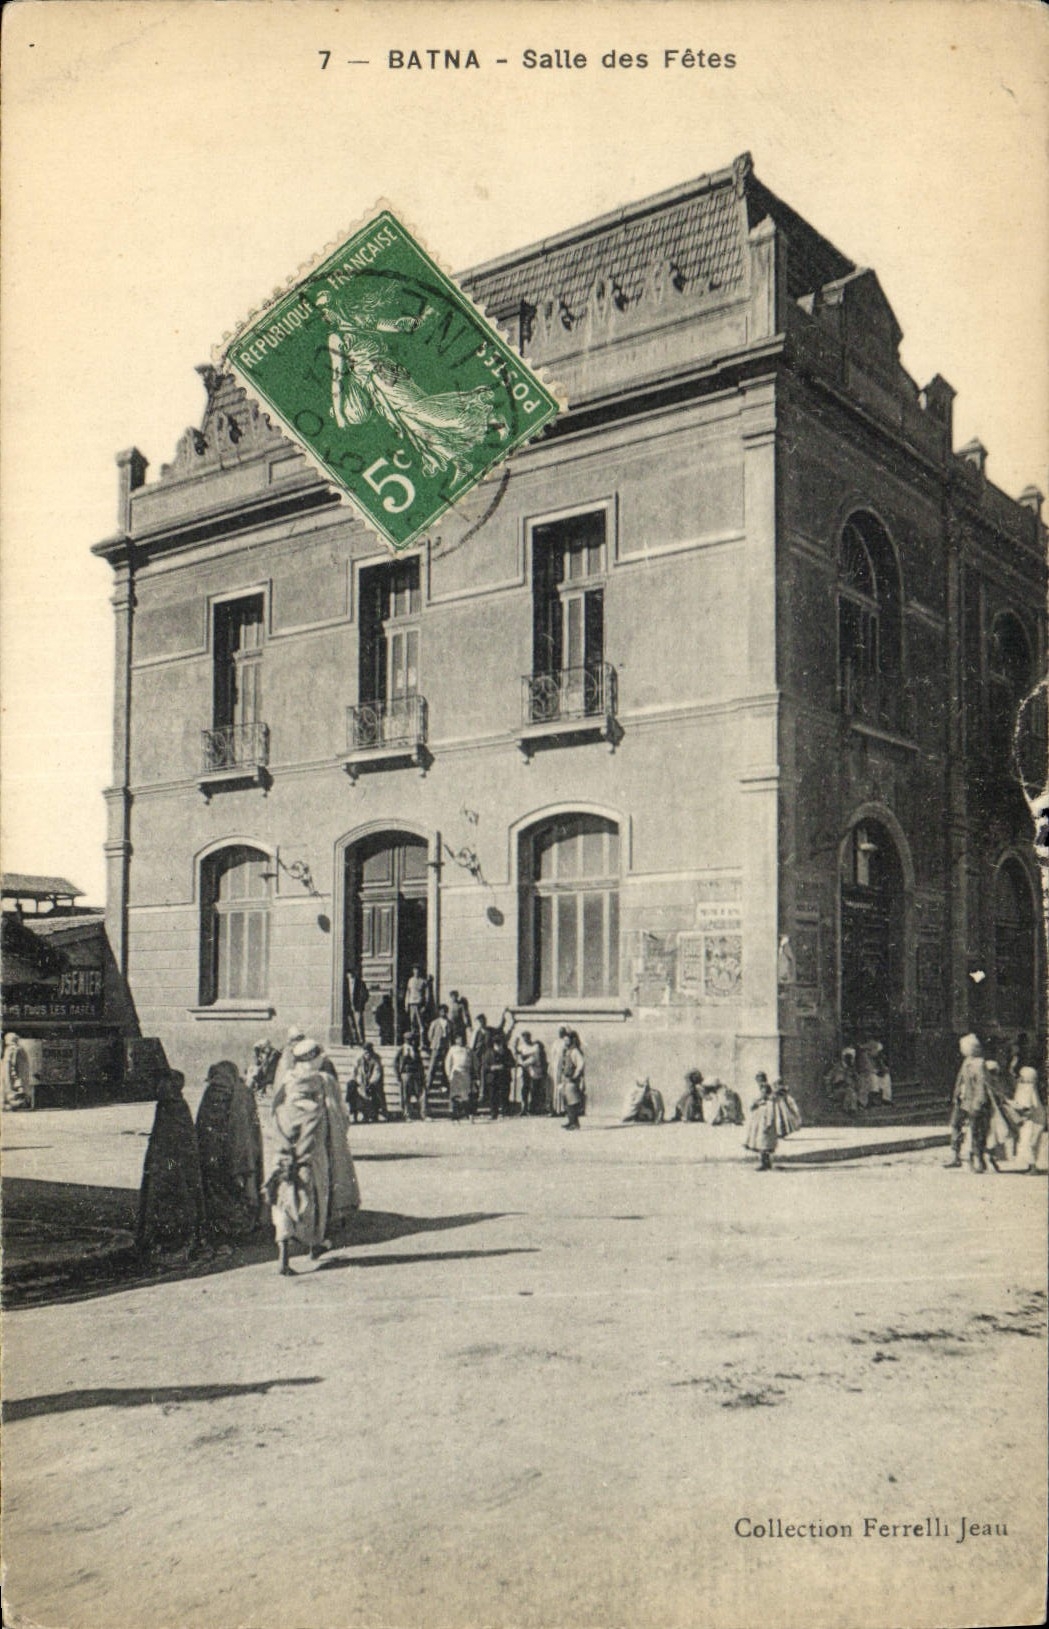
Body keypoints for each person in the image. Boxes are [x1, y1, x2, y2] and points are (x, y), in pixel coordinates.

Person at [266, 1037, 361, 1275]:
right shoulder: (324, 1082)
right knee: (317, 1198)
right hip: (314, 1153)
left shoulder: (286, 1083)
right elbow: (339, 1118)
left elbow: (274, 1115)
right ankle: (314, 1244)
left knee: (285, 1201)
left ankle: (285, 1259)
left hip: (284, 1150)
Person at [195, 1060, 265, 1247]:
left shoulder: (215, 1094)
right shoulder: (241, 1093)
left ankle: (233, 1225)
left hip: (221, 1154)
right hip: (231, 1154)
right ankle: (239, 1224)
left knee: (226, 1190)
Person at [136, 1069, 205, 1258]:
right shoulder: (167, 1106)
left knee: (174, 1201)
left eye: (162, 1084)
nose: (158, 1088)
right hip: (165, 1165)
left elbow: (181, 1141)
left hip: (173, 1167)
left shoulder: (176, 1108)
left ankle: (174, 1241)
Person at [946, 1034, 992, 1172]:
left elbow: (981, 1085)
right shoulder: (966, 1061)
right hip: (962, 1100)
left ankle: (978, 1159)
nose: (961, 1049)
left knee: (976, 1131)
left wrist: (978, 1102)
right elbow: (960, 1080)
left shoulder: (979, 1063)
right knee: (955, 1125)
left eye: (963, 1046)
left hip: (973, 1102)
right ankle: (955, 1155)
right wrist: (956, 1096)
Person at [1009, 1066, 1047, 1173]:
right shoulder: (1024, 1087)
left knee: (1030, 1142)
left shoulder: (1029, 1088)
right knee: (1029, 1142)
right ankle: (1031, 1166)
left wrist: (1013, 1107)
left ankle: (1033, 1167)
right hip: (1031, 1119)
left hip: (1033, 1120)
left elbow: (1027, 1106)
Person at [743, 1073, 779, 1171]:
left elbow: (770, 1113)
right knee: (760, 1142)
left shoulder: (769, 1102)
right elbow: (753, 1107)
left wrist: (768, 1124)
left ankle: (765, 1164)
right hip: (759, 1122)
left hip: (765, 1123)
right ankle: (765, 1163)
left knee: (764, 1143)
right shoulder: (761, 1102)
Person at [350, 1041, 388, 1123]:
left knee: (376, 1093)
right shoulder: (358, 1059)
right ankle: (361, 1114)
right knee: (356, 1092)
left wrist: (371, 1083)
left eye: (369, 1052)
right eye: (365, 1052)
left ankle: (377, 1113)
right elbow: (354, 1071)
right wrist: (357, 1081)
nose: (367, 1054)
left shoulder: (376, 1058)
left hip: (373, 1081)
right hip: (361, 1081)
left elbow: (377, 1072)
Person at [514, 1031, 549, 1116]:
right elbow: (518, 1054)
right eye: (524, 1038)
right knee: (524, 1090)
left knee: (534, 1090)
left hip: (534, 1071)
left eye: (527, 1037)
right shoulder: (522, 1046)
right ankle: (524, 1108)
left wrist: (523, 1060)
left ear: (530, 1037)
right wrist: (515, 1046)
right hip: (525, 1071)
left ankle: (534, 1108)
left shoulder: (535, 1046)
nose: (526, 1039)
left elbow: (533, 1058)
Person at [561, 1030, 587, 1130]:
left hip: (572, 1080)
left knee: (573, 1101)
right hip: (566, 1079)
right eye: (565, 1040)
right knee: (568, 1101)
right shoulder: (568, 1051)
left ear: (572, 1040)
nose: (565, 1042)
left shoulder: (575, 1051)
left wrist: (575, 1075)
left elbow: (581, 1064)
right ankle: (571, 1121)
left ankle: (574, 1123)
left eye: (567, 1040)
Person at [395, 1033, 424, 1120]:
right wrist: (398, 1074)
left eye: (412, 1040)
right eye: (409, 1040)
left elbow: (420, 1062)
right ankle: (407, 1115)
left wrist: (422, 1074)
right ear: (405, 1040)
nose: (411, 1041)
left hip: (415, 1073)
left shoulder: (415, 1049)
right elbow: (395, 1063)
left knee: (420, 1093)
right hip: (405, 1074)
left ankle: (423, 1114)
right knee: (405, 1095)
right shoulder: (401, 1049)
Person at [823, 1047, 861, 1115]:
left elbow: (858, 1082)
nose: (850, 1060)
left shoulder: (852, 1069)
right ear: (844, 1058)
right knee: (850, 1092)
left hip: (850, 1091)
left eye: (851, 1058)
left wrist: (855, 1077)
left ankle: (850, 1109)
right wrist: (829, 1092)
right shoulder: (836, 1067)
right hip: (838, 1091)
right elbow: (828, 1078)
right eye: (848, 1057)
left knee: (851, 1091)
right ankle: (851, 1109)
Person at [444, 1036, 475, 1121]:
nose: (460, 1040)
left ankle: (468, 1114)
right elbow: (448, 1062)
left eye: (462, 1039)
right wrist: (448, 1074)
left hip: (466, 1073)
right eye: (458, 1039)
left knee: (467, 1095)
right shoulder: (452, 1049)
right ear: (456, 1040)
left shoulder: (468, 1049)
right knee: (455, 1096)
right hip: (456, 1072)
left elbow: (473, 1061)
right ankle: (454, 1115)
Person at [2, 1032, 34, 1110]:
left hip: (13, 1078)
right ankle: (21, 1102)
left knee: (14, 1091)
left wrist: (14, 1078)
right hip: (21, 1077)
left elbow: (12, 1066)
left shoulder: (11, 1049)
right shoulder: (20, 1049)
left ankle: (15, 1103)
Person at [857, 1040, 892, 1106]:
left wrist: (884, 1070)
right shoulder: (864, 1056)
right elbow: (867, 1068)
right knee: (873, 1077)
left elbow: (883, 1067)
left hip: (875, 1074)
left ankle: (886, 1098)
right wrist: (876, 1071)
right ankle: (873, 1098)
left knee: (886, 1077)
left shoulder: (877, 1057)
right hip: (865, 1076)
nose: (878, 1052)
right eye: (876, 1050)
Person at [404, 965, 428, 1047]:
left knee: (421, 1024)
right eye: (414, 970)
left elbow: (426, 995)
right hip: (412, 1004)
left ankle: (422, 1043)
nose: (416, 972)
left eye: (417, 970)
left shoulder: (423, 981)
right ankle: (413, 1042)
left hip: (419, 1004)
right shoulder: (410, 980)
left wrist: (425, 1005)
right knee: (412, 1023)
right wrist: (406, 1004)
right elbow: (408, 992)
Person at [345, 968, 368, 1046]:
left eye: (351, 974)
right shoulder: (345, 985)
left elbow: (365, 995)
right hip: (348, 1007)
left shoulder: (360, 983)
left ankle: (361, 1040)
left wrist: (361, 1004)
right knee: (351, 1024)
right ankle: (354, 1040)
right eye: (348, 975)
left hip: (357, 1007)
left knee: (359, 1023)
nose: (350, 976)